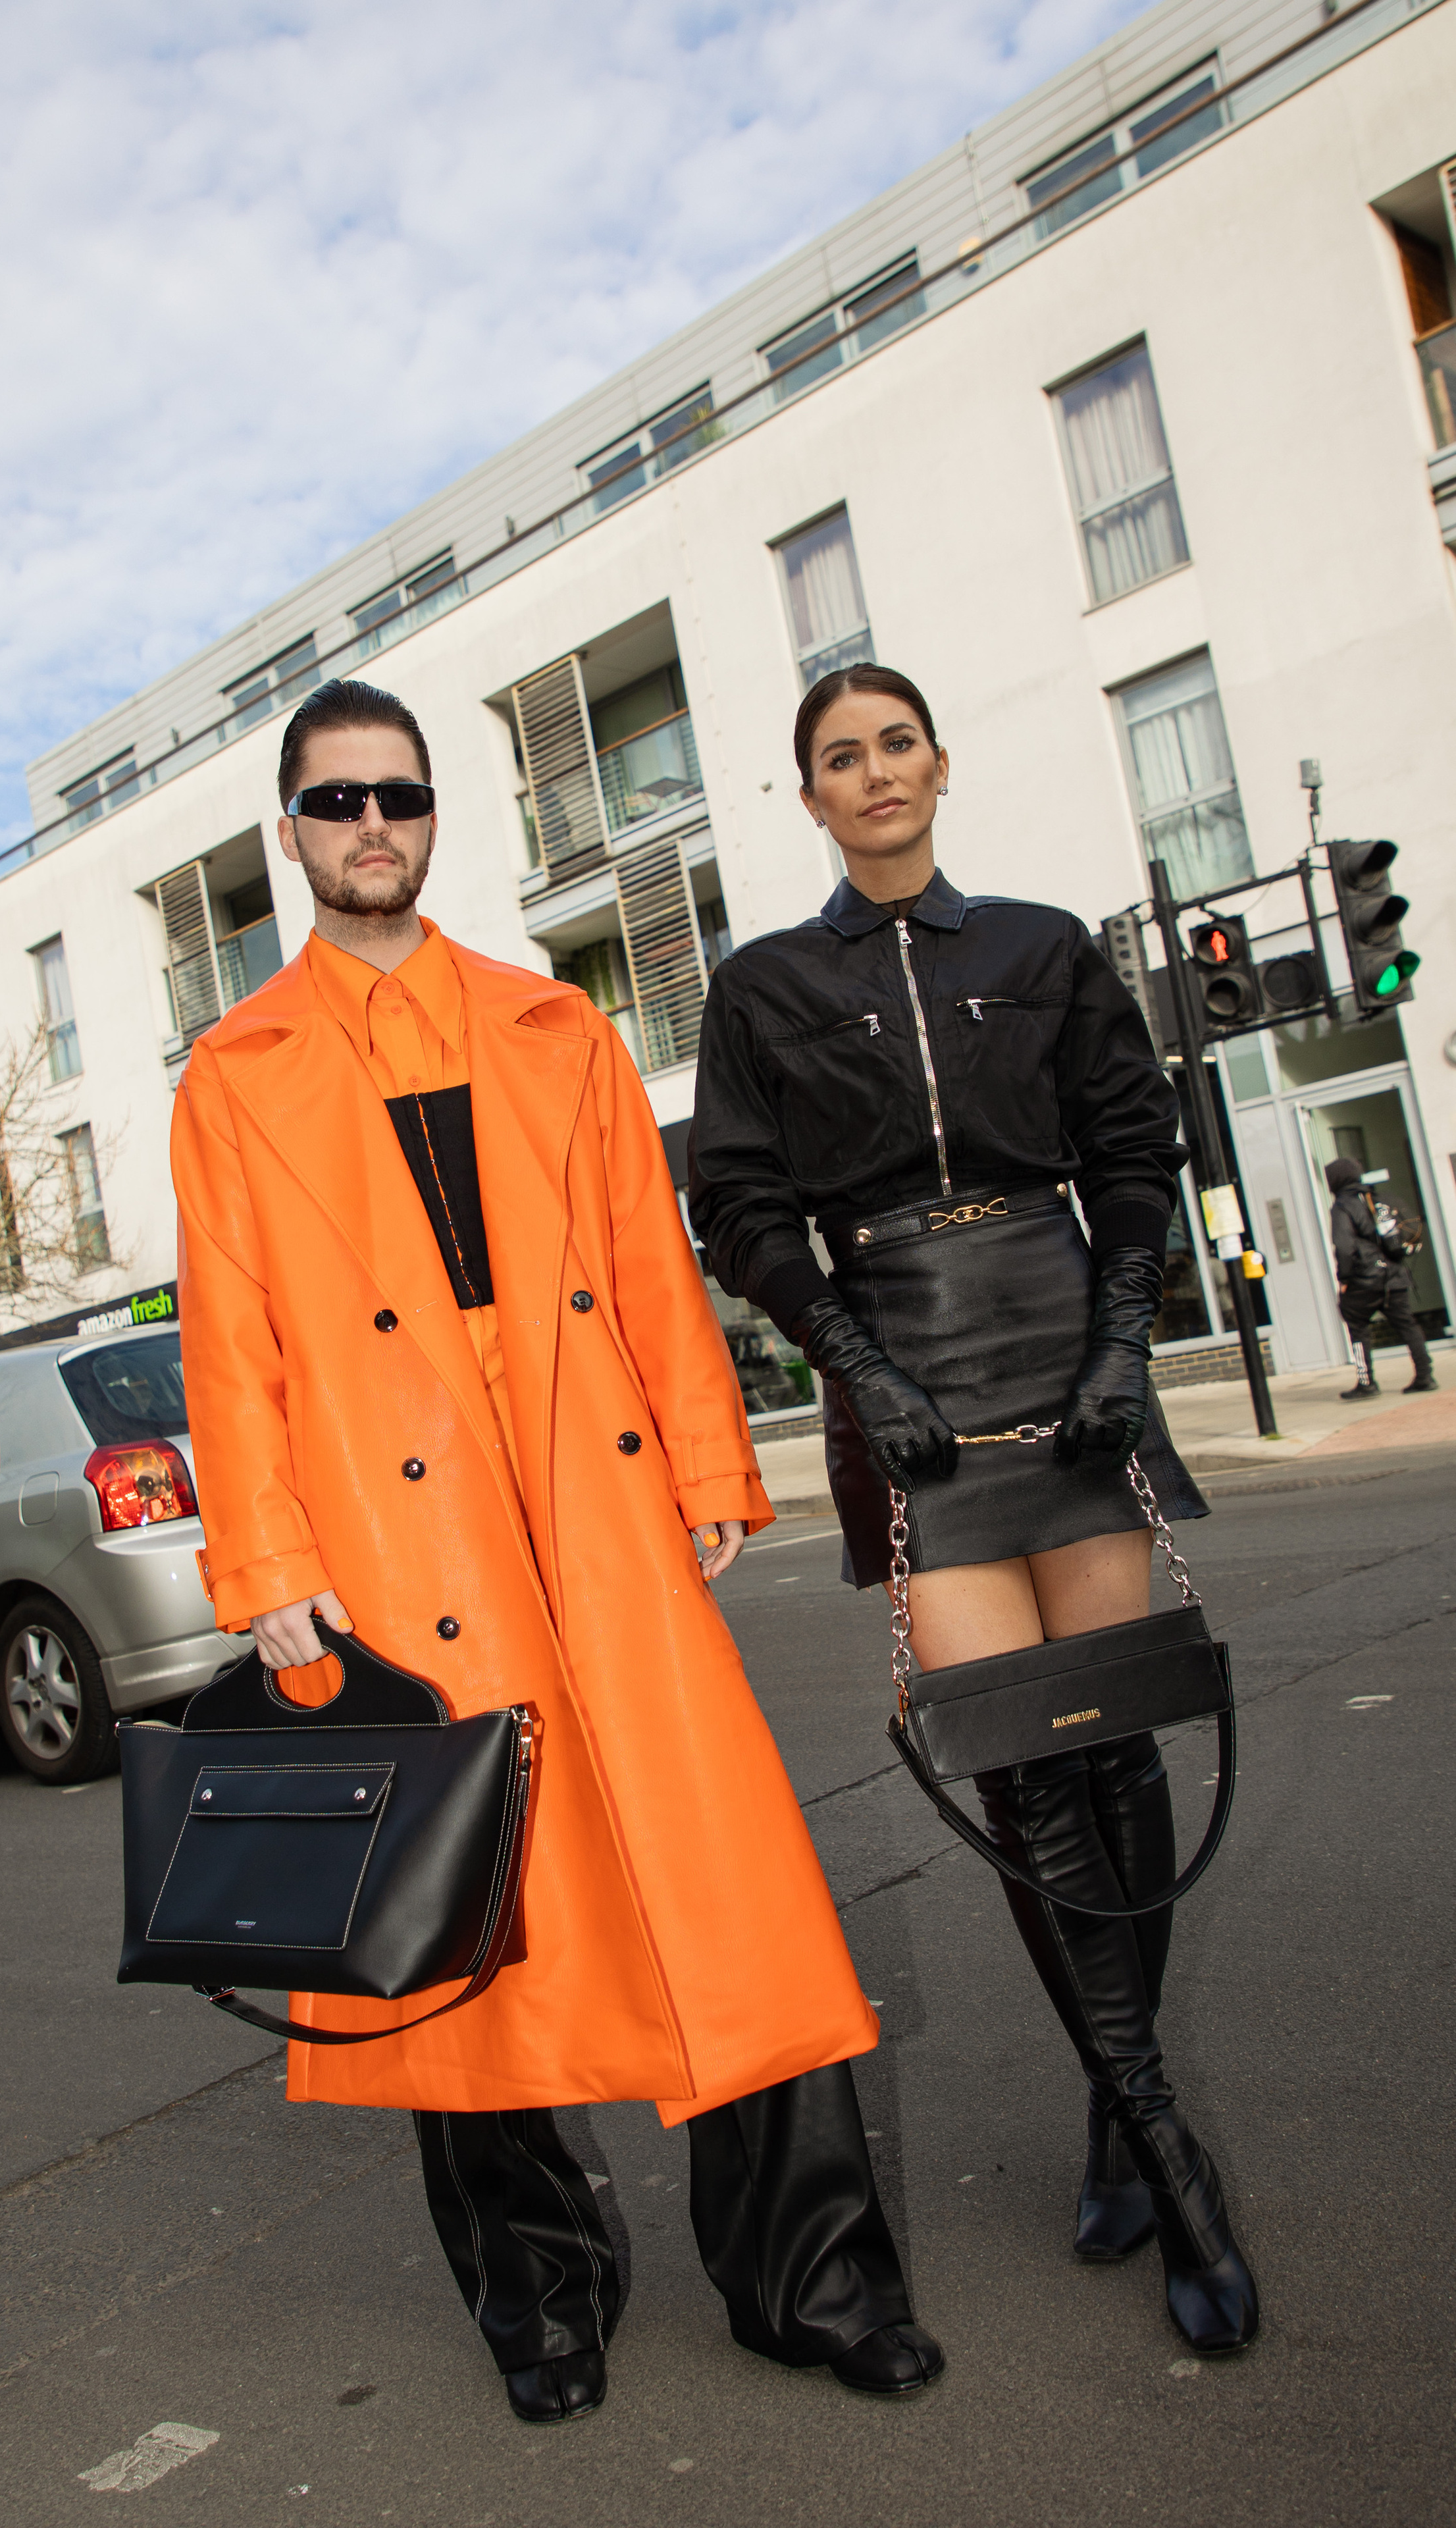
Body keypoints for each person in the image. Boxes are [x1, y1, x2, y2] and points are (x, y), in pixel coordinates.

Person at [170, 676, 943, 2426]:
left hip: (589, 1508)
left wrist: (704, 1448)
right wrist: (265, 1559)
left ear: (433, 819)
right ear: (291, 834)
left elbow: (644, 1254)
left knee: (725, 1890)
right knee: (453, 1929)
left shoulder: (554, 1029)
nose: (372, 827)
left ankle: (812, 2279)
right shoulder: (231, 1079)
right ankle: (542, 2303)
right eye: (338, 801)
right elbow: (236, 1345)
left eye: (399, 797)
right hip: (391, 1540)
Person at [689, 663, 1259, 2357]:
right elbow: (739, 1206)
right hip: (909, 1391)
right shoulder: (761, 986)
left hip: (1066, 1365)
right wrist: (857, 1369)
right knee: (1027, 1767)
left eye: (891, 746)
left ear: (936, 764)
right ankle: (1165, 2138)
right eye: (835, 759)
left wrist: (1120, 1337)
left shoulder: (1039, 944)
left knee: (1118, 1748)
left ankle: (1112, 2104)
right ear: (805, 796)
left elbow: (1132, 1148)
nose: (870, 775)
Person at [1326, 1155, 1436, 1397]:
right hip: (1394, 1275)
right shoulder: (1375, 1198)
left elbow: (1344, 1247)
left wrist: (1344, 1280)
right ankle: (1425, 1376)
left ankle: (1366, 1384)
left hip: (1364, 1280)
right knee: (1407, 1325)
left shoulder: (1342, 1206)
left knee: (1358, 1327)